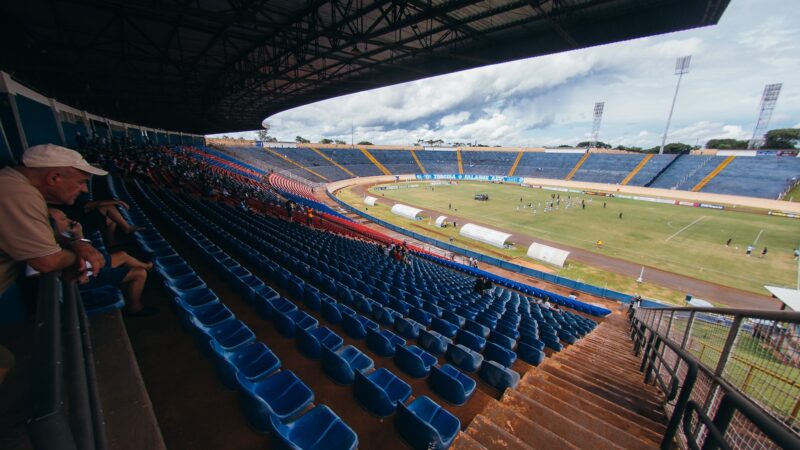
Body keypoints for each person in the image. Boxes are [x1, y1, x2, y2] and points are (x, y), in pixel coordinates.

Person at [0, 144, 107, 296]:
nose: (85, 189)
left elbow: (39, 238)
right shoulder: (18, 193)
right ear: (54, 177)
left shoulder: (13, 184)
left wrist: (76, 243)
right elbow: (48, 261)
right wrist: (80, 258)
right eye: (81, 182)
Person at [49, 209, 157, 316]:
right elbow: (80, 271)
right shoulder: (53, 245)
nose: (70, 221)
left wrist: (79, 235)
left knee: (122, 255)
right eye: (63, 219)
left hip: (91, 267)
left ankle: (148, 266)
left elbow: (88, 248)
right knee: (140, 273)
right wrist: (79, 238)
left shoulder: (63, 236)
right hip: (88, 276)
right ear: (51, 225)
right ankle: (135, 308)